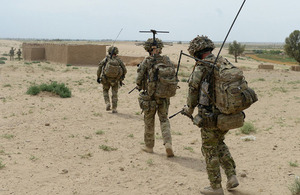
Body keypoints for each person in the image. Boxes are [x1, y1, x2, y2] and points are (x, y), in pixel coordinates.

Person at [181, 35, 239, 195]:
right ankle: (232, 176)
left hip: (210, 118)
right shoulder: (224, 62)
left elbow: (193, 91)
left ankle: (216, 187)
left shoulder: (201, 67)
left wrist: (188, 109)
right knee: (220, 143)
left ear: (197, 53)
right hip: (227, 115)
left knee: (209, 149)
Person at [136, 38, 175, 157]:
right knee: (164, 119)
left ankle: (149, 147)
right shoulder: (166, 60)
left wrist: (139, 85)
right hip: (164, 95)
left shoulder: (147, 61)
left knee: (149, 121)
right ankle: (168, 143)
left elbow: (138, 79)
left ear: (148, 49)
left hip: (150, 97)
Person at [96, 46, 127, 113]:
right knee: (114, 94)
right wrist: (121, 78)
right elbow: (124, 70)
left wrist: (98, 77)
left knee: (105, 91)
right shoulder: (118, 60)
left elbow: (100, 67)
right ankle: (114, 108)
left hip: (106, 79)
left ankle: (107, 103)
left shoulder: (106, 59)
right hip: (115, 80)